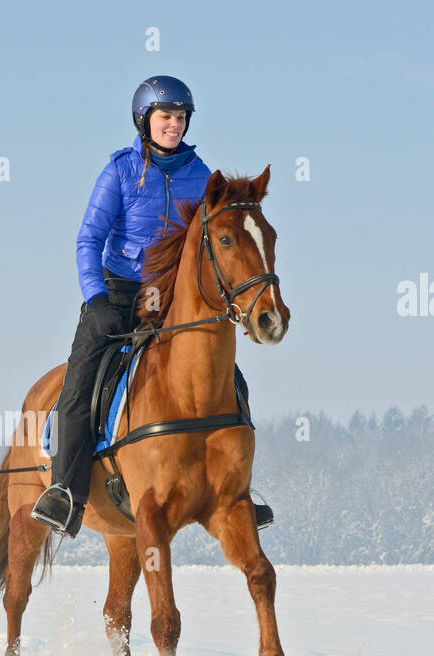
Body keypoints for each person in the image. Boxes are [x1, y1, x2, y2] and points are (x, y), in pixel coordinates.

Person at [31, 75, 270, 537]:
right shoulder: (120, 171)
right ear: (145, 120)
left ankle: (238, 488)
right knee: (79, 386)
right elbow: (88, 240)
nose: (174, 125)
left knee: (229, 377)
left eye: (181, 118)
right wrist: (96, 298)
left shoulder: (203, 177)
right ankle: (64, 491)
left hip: (171, 302)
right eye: (166, 117)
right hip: (116, 296)